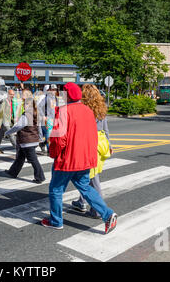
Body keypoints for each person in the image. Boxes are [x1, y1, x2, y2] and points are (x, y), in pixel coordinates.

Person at [41, 82, 117, 234]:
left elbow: (59, 139)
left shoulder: (63, 111)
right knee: (86, 188)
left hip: (67, 160)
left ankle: (56, 221)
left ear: (67, 95)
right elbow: (93, 136)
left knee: (55, 189)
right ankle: (108, 214)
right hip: (85, 159)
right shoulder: (88, 111)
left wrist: (53, 153)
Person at [71, 84, 113, 219]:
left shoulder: (84, 110)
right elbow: (105, 130)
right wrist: (109, 145)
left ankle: (98, 210)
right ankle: (81, 201)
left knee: (93, 179)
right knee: (87, 175)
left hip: (90, 144)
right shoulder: (101, 109)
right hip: (101, 144)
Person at [4, 89, 45, 184]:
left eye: (25, 104)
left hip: (27, 141)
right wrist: (40, 137)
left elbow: (19, 126)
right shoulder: (35, 113)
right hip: (31, 139)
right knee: (20, 157)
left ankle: (40, 177)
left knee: (33, 160)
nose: (23, 105)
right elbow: (38, 127)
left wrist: (8, 132)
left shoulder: (27, 114)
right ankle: (12, 172)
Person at [0, 89, 17, 154]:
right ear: (8, 94)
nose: (12, 95)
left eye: (13, 94)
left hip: (8, 121)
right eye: (11, 94)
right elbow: (1, 112)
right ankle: (18, 150)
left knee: (0, 135)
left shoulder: (12, 101)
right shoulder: (5, 101)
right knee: (11, 135)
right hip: (5, 121)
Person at [38, 84, 58, 154]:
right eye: (52, 90)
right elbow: (39, 107)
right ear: (49, 90)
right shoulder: (46, 98)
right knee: (48, 135)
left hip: (54, 119)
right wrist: (43, 116)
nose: (53, 91)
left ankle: (43, 144)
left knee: (53, 135)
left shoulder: (55, 98)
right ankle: (49, 150)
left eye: (55, 90)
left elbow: (56, 108)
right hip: (48, 119)